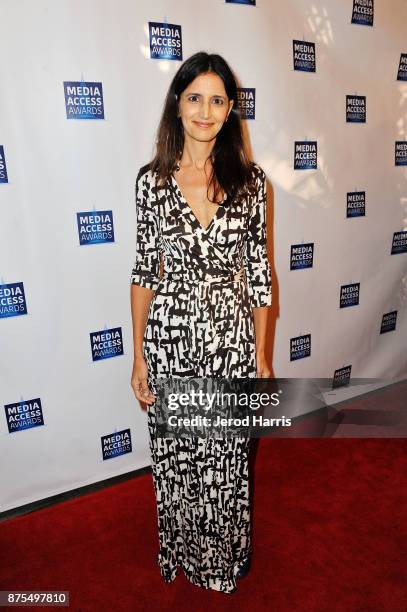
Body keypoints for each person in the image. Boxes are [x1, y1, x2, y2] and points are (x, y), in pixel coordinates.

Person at [130, 51, 272, 594]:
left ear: (231, 109)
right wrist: (140, 355)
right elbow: (145, 270)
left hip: (230, 343)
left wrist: (260, 354)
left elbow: (258, 273)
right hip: (169, 341)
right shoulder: (151, 182)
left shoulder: (252, 182)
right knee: (178, 456)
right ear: (178, 104)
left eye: (217, 100)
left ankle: (223, 558)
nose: (205, 111)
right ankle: (183, 551)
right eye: (195, 98)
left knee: (227, 459)